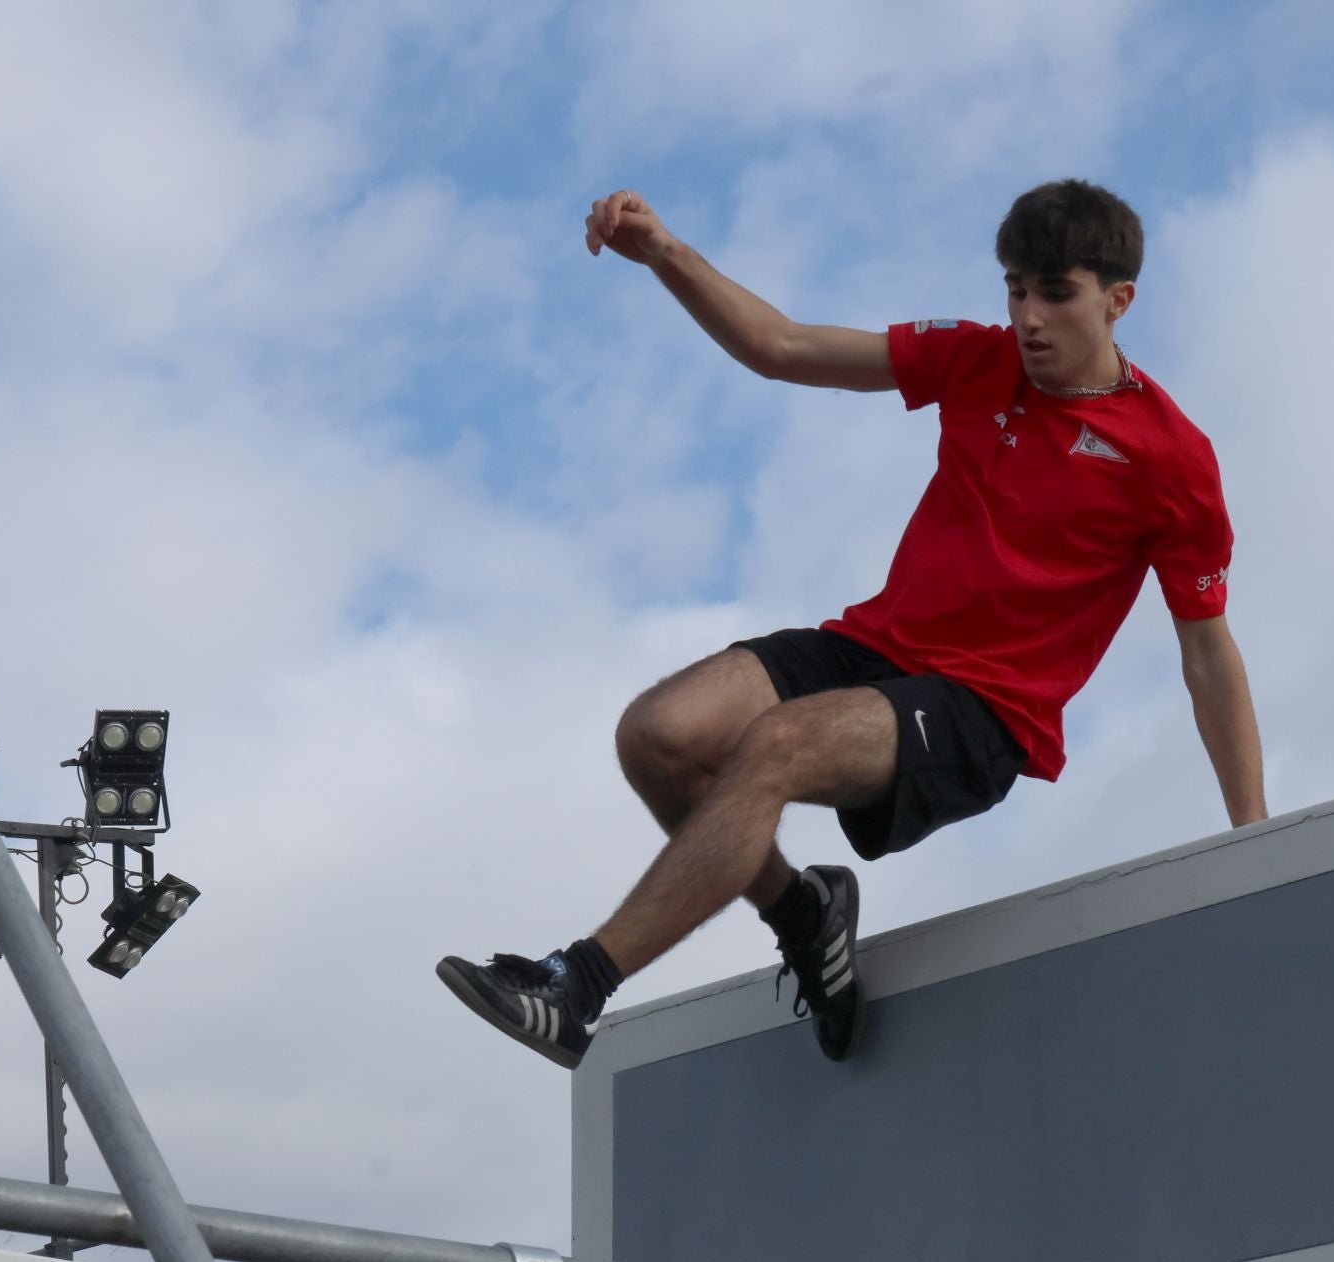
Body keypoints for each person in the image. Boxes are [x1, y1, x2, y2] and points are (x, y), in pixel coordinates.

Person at [437, 179, 1267, 1070]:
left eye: (1054, 294)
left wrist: (1259, 848)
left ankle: (578, 986)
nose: (1028, 317)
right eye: (1014, 290)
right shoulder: (976, 360)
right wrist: (664, 253)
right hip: (874, 649)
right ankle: (805, 918)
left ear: (1117, 299)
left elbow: (1209, 654)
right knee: (658, 735)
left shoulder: (1171, 459)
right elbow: (782, 346)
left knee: (777, 746)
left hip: (984, 712)